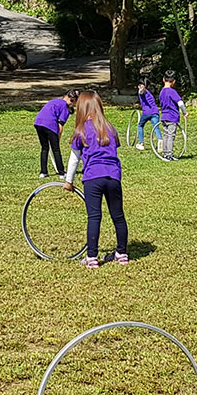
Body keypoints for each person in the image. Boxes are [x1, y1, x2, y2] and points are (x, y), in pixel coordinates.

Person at [63, 91, 128, 268]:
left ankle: (92, 257)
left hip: (93, 177)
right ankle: (122, 253)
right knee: (118, 216)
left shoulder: (81, 130)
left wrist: (69, 181)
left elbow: (74, 159)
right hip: (113, 176)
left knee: (94, 216)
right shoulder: (110, 128)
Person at [34, 90, 78, 179]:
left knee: (45, 148)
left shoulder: (54, 101)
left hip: (38, 123)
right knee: (56, 149)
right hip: (50, 125)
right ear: (72, 100)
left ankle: (43, 172)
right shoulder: (65, 108)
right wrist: (58, 137)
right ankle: (62, 173)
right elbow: (60, 125)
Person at [158, 70, 186, 160]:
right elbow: (180, 103)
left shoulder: (161, 92)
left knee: (166, 135)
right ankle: (169, 154)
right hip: (172, 117)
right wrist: (185, 112)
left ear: (163, 79)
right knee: (171, 136)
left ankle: (166, 153)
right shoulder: (172, 92)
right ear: (173, 81)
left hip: (164, 116)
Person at [135, 77, 160, 151]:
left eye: (141, 85)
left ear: (144, 86)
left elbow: (141, 92)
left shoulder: (143, 91)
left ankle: (141, 143)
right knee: (156, 127)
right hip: (155, 112)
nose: (139, 86)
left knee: (140, 125)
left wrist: (141, 89)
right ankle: (160, 141)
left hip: (146, 113)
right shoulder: (149, 93)